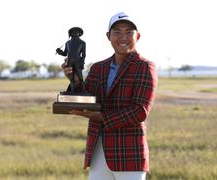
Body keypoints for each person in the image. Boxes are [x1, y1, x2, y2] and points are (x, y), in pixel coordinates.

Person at [61, 12, 157, 180]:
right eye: (117, 32)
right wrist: (75, 81)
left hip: (129, 153)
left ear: (138, 36)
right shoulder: (98, 67)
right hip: (98, 150)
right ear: (108, 36)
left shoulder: (145, 66)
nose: (123, 37)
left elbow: (140, 111)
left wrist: (101, 117)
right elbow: (88, 97)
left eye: (129, 32)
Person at [57, 27, 86, 92]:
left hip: (78, 62)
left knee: (80, 77)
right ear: (70, 34)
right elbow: (65, 53)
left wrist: (82, 62)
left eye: (77, 32)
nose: (75, 33)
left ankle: (84, 90)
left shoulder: (82, 43)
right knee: (71, 78)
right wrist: (59, 52)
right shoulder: (68, 43)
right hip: (69, 61)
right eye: (73, 32)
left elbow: (84, 54)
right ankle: (72, 91)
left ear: (79, 34)